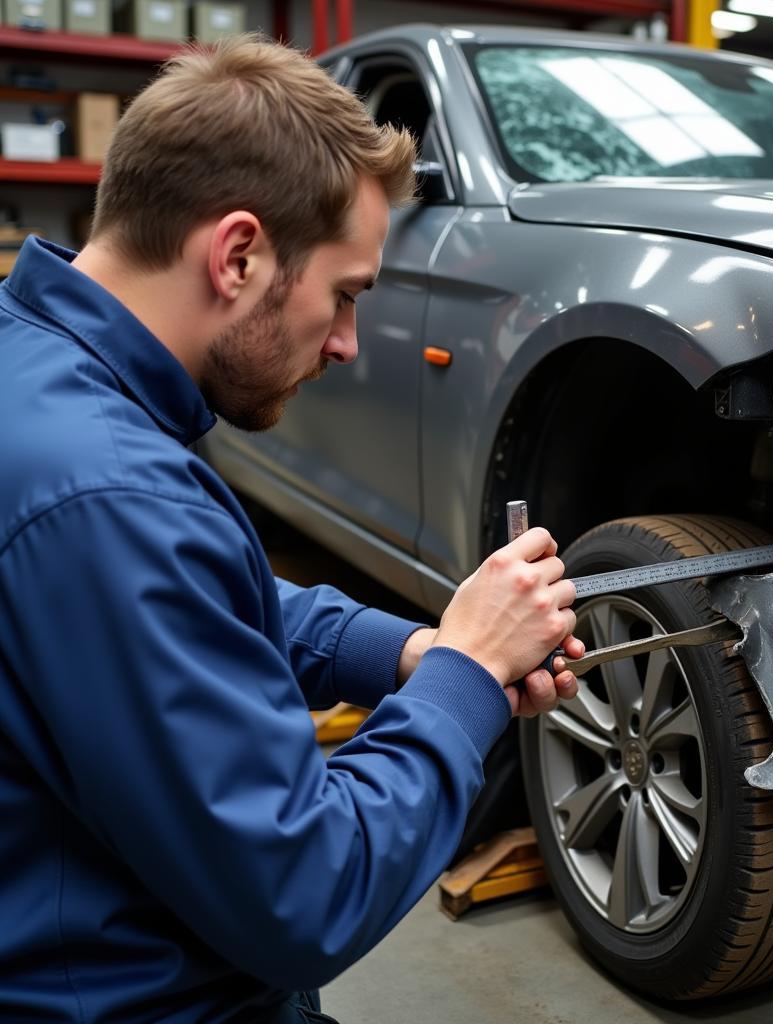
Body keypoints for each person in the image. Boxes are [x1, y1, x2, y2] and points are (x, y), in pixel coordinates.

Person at [0, 35, 584, 1024]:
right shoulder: (113, 496)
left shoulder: (45, 375)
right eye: (346, 293)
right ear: (237, 255)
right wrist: (468, 679)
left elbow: (208, 603)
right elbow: (305, 891)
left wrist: (412, 650)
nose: (349, 343)